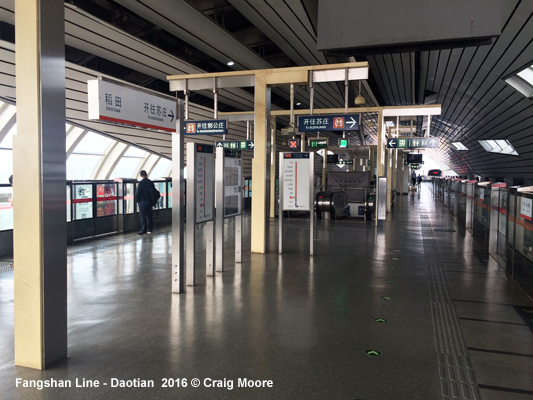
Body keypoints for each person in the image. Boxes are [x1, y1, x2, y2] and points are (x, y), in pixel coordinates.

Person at [135, 170, 156, 235]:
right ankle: (149, 229)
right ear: (146, 175)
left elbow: (138, 193)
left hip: (142, 202)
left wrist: (137, 200)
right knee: (149, 215)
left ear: (140, 175)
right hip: (149, 202)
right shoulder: (150, 182)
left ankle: (143, 229)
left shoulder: (140, 183)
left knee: (143, 216)